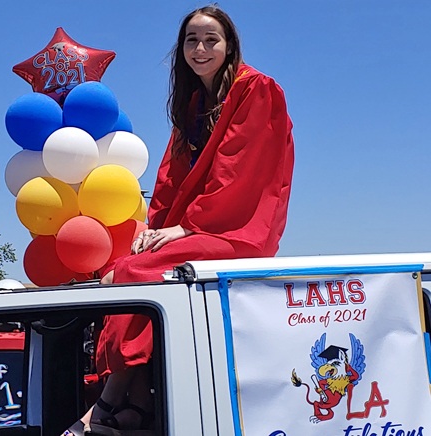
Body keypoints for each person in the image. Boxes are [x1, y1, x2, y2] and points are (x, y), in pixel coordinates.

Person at [62, 4, 294, 435]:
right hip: (200, 226)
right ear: (181, 48)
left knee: (139, 271)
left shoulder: (257, 90)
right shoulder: (194, 102)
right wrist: (154, 227)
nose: (201, 48)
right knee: (118, 269)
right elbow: (172, 173)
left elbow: (238, 170)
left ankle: (106, 407)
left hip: (238, 229)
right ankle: (138, 405)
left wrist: (186, 227)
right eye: (192, 40)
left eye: (211, 40)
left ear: (229, 46)